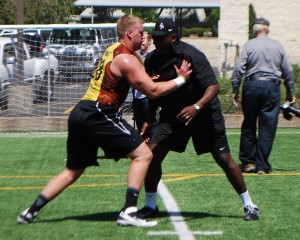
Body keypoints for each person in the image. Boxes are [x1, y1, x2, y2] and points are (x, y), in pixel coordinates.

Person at [16, 14, 192, 227]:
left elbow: (133, 78)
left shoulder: (113, 50)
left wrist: (146, 78)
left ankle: (30, 211)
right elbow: (153, 91)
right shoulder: (127, 58)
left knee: (73, 170)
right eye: (140, 32)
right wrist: (181, 79)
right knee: (144, 155)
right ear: (129, 33)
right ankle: (129, 211)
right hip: (100, 112)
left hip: (81, 111)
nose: (144, 36)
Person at [137, 18, 259, 221]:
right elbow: (153, 92)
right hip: (172, 115)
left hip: (203, 113)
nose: (155, 41)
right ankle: (150, 205)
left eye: (160, 38)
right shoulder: (151, 60)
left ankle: (249, 205)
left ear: (172, 37)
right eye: (154, 37)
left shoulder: (192, 55)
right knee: (151, 156)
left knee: (224, 159)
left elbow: (213, 86)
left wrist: (196, 107)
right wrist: (149, 120)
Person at [231, 18, 295, 174]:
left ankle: (248, 163)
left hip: (251, 86)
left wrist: (235, 89)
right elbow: (288, 72)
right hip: (272, 87)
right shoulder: (277, 46)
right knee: (267, 127)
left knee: (249, 124)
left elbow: (239, 69)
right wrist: (290, 93)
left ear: (255, 30)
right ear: (267, 29)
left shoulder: (249, 45)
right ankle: (262, 165)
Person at [132, 31, 157, 132]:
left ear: (150, 41)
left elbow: (146, 68)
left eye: (143, 40)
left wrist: (136, 54)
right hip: (137, 97)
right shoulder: (135, 57)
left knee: (151, 125)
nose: (141, 42)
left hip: (147, 97)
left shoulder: (153, 56)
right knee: (140, 127)